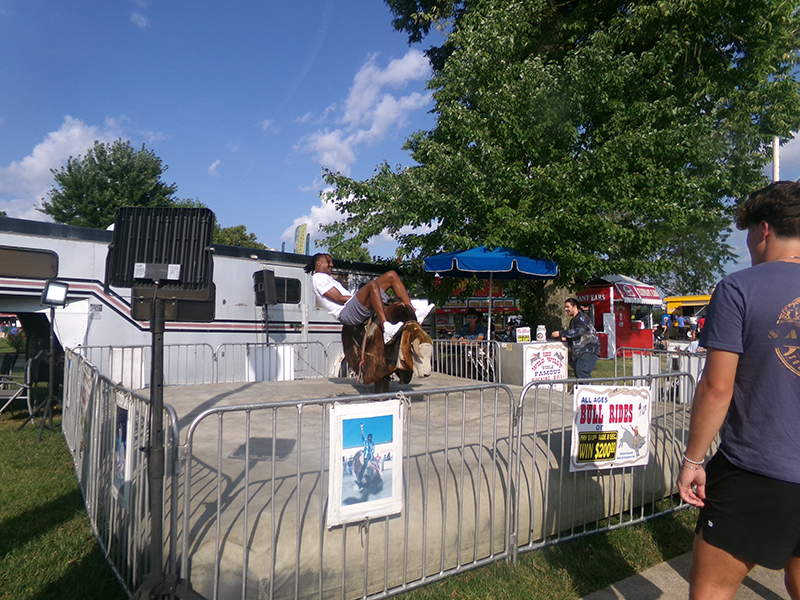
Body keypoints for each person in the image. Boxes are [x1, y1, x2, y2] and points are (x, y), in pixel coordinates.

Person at [676, 181, 800, 600]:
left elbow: (716, 387)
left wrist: (693, 459)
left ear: (763, 230)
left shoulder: (739, 287)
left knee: (711, 587)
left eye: (747, 233)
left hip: (758, 467)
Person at [304, 253, 434, 344]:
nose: (331, 265)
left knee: (391, 275)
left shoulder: (327, 278)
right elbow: (339, 298)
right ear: (319, 263)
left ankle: (413, 311)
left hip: (352, 305)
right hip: (346, 312)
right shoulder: (318, 278)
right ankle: (386, 328)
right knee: (372, 285)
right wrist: (363, 295)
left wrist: (363, 295)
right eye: (328, 262)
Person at [551, 298, 600, 379]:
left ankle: (588, 390)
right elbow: (576, 336)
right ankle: (583, 390)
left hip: (588, 350)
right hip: (579, 352)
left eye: (568, 307)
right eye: (565, 307)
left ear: (575, 307)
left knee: (582, 371)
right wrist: (566, 338)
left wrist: (561, 333)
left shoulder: (581, 318)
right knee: (578, 373)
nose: (566, 309)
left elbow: (579, 331)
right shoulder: (574, 320)